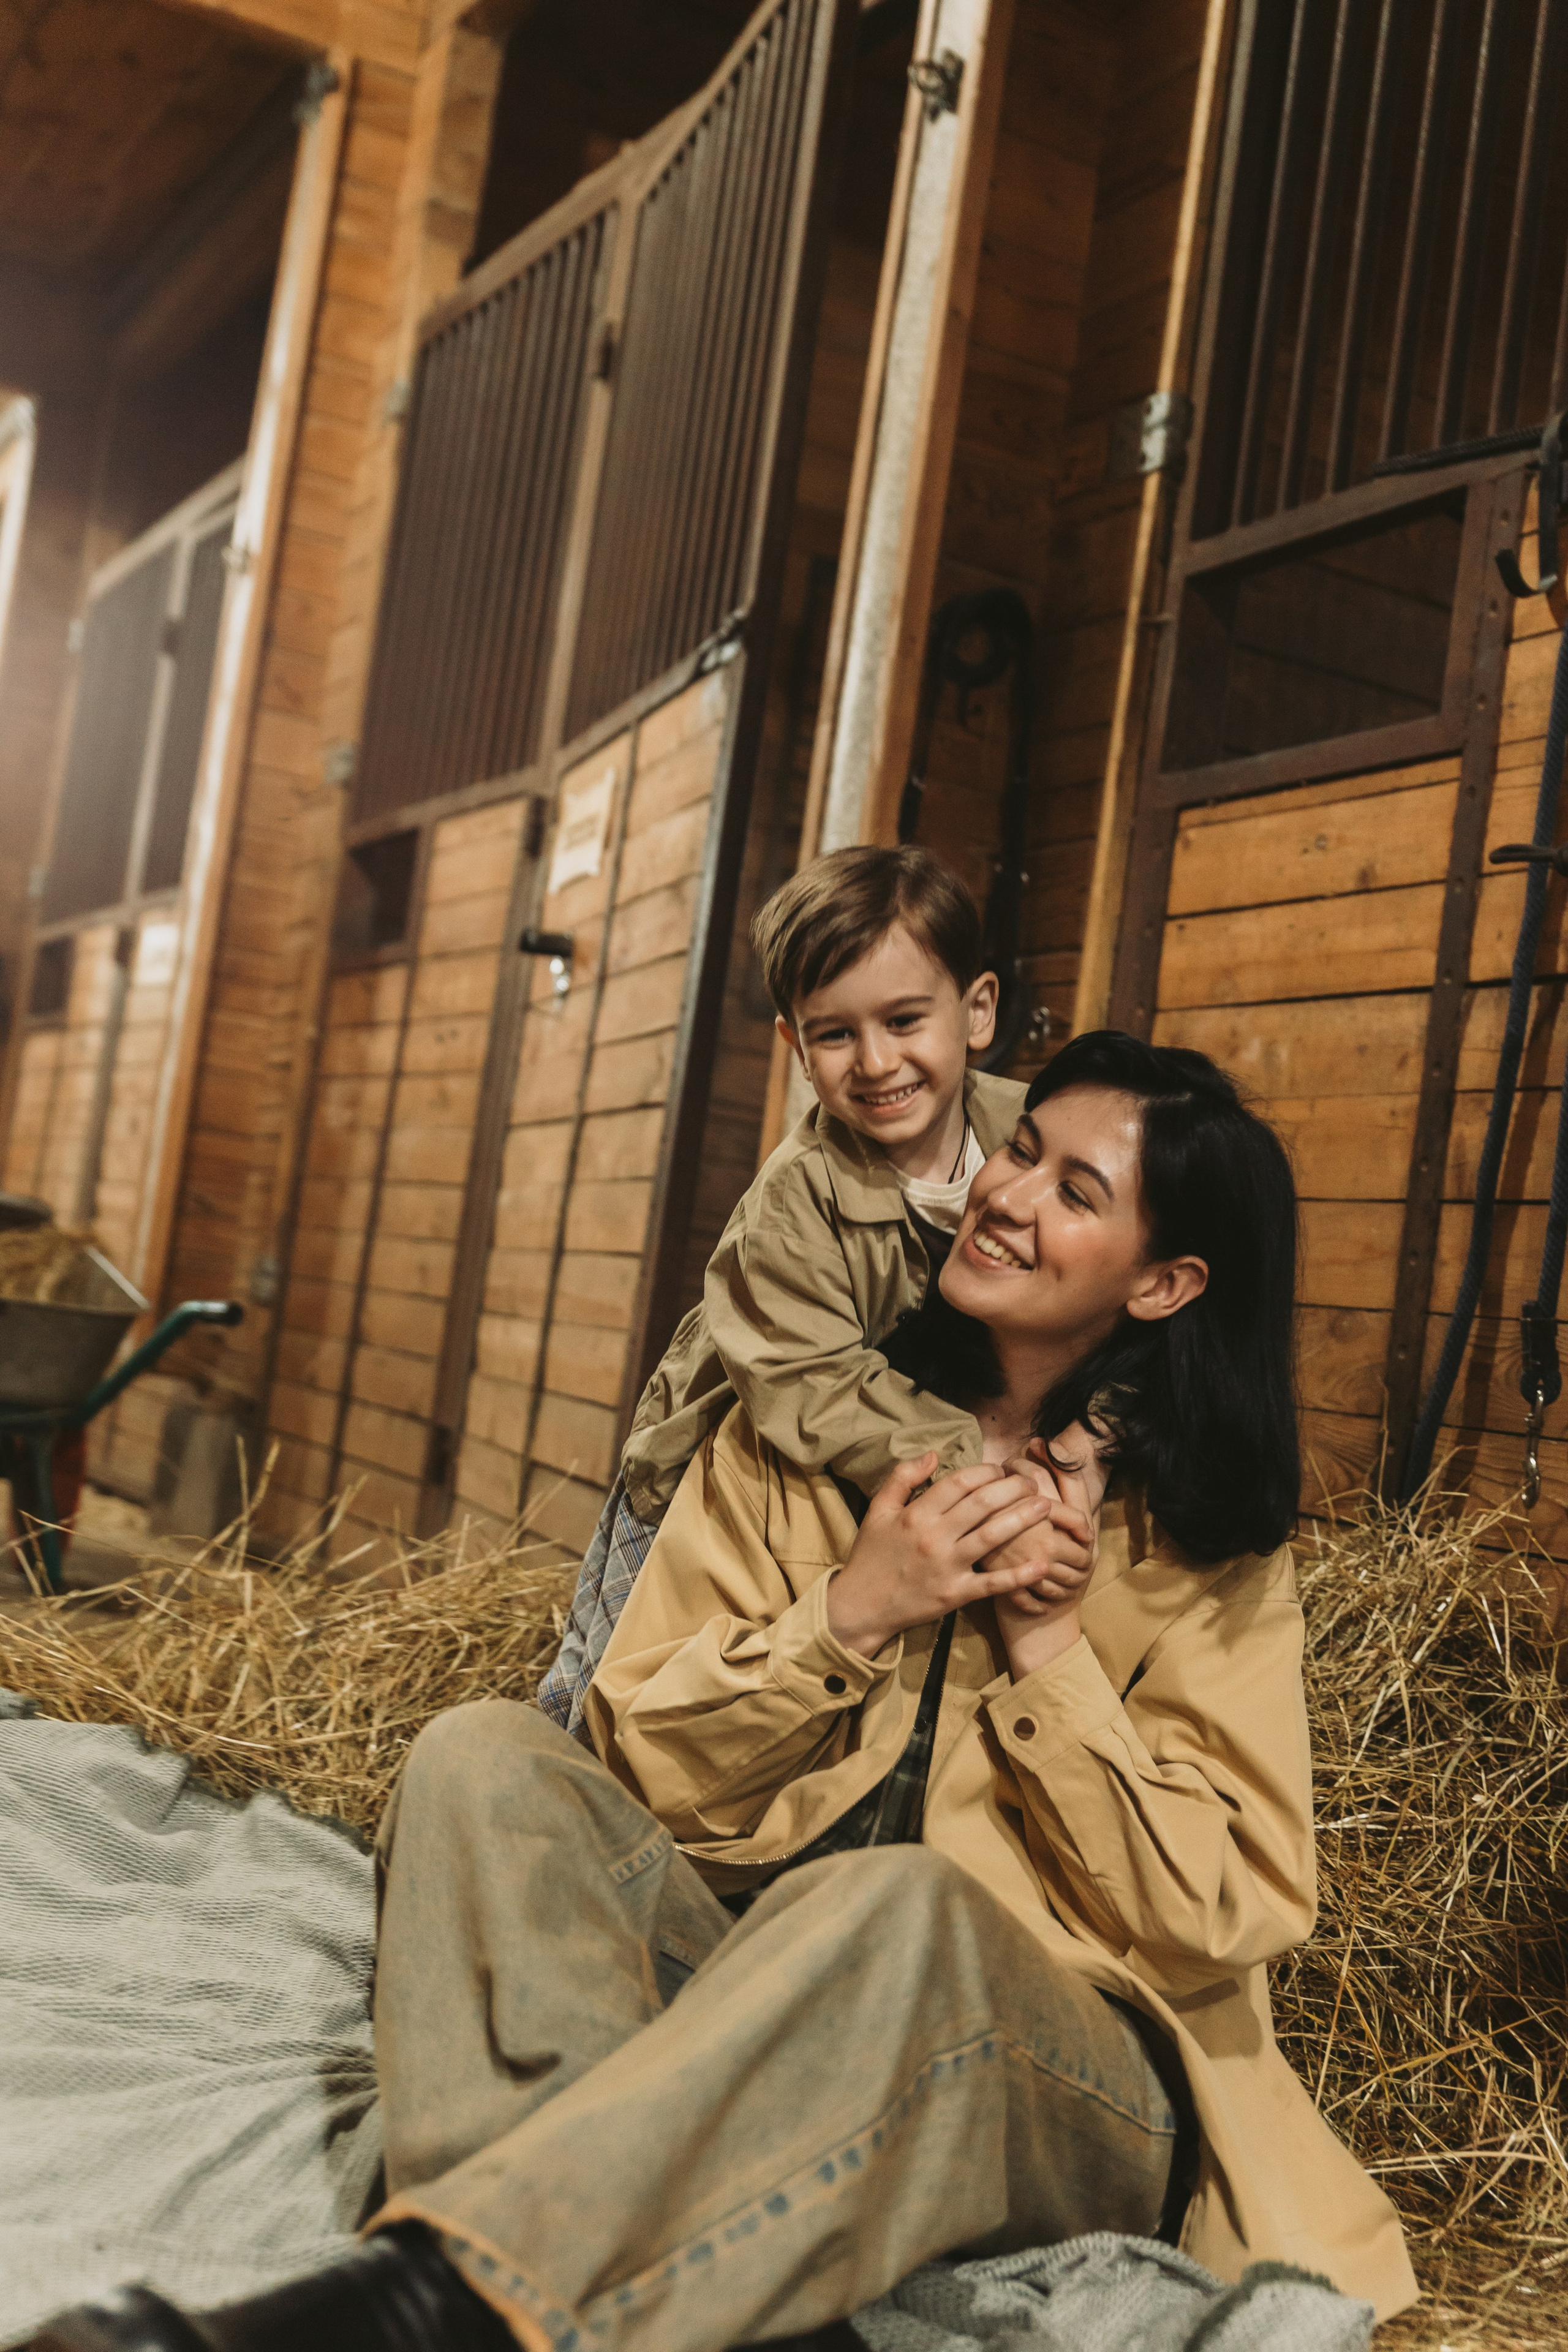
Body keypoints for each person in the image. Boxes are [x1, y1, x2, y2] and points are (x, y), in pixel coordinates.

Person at [40, 1033, 1418, 2352]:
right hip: (753, 2002)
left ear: (1164, 1284)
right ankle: (596, 2280)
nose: (1006, 1196)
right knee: (484, 1758)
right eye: (1020, 1152)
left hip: (1058, 2079)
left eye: (1075, 1191)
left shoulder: (1202, 1541)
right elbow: (639, 1766)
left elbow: (1227, 1910)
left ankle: (422, 2315)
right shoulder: (803, 1435)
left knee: (894, 1908)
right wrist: (852, 1614)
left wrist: (1050, 1652)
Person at [537, 845, 1050, 1741]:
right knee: (622, 1668)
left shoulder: (1031, 1136)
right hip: (728, 1455)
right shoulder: (792, 1202)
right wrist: (979, 1473)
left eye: (903, 1020)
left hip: (882, 1452)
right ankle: (553, 1768)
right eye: (835, 1034)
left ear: (976, 1011)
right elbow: (812, 1381)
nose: (876, 1061)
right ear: (796, 1048)